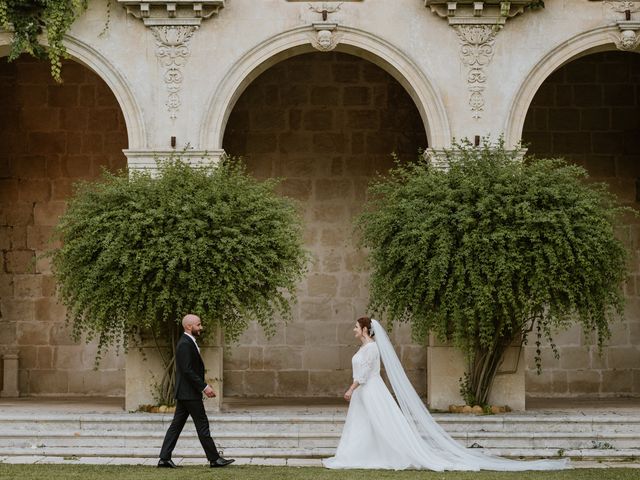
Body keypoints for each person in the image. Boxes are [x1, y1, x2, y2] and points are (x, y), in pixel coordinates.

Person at [323, 317, 571, 471]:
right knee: (365, 425)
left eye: (356, 327)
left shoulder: (370, 349)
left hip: (369, 390)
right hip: (367, 392)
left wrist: (351, 388)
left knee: (379, 424)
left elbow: (365, 374)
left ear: (365, 329)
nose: (353, 330)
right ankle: (359, 453)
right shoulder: (367, 347)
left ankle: (373, 454)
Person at [158, 314, 235, 468]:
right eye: (198, 325)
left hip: (186, 393)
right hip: (189, 393)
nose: (201, 327)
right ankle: (214, 459)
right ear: (189, 326)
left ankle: (164, 458)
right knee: (202, 424)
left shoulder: (188, 342)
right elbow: (187, 370)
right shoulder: (185, 344)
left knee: (177, 425)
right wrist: (204, 387)